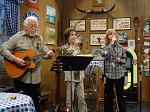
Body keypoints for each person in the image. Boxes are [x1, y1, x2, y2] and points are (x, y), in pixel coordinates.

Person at [0, 16, 54, 112]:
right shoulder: (17, 37)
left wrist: (49, 54)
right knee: (21, 104)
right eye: (31, 26)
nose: (34, 28)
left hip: (36, 79)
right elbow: (2, 48)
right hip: (21, 77)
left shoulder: (39, 39)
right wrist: (15, 59)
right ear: (25, 27)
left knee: (36, 104)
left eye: (35, 26)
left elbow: (46, 52)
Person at [100, 29, 127, 112]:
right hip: (109, 75)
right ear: (107, 36)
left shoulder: (121, 47)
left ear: (116, 36)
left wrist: (120, 60)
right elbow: (105, 55)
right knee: (108, 96)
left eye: (113, 34)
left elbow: (125, 60)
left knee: (120, 96)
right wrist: (111, 44)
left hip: (120, 74)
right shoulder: (104, 47)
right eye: (110, 34)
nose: (112, 35)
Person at [62, 27, 87, 112]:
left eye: (75, 35)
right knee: (70, 98)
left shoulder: (78, 47)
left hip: (79, 75)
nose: (74, 36)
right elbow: (70, 57)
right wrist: (76, 46)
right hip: (70, 76)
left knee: (82, 97)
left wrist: (83, 74)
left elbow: (80, 60)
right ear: (67, 37)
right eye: (72, 35)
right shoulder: (65, 48)